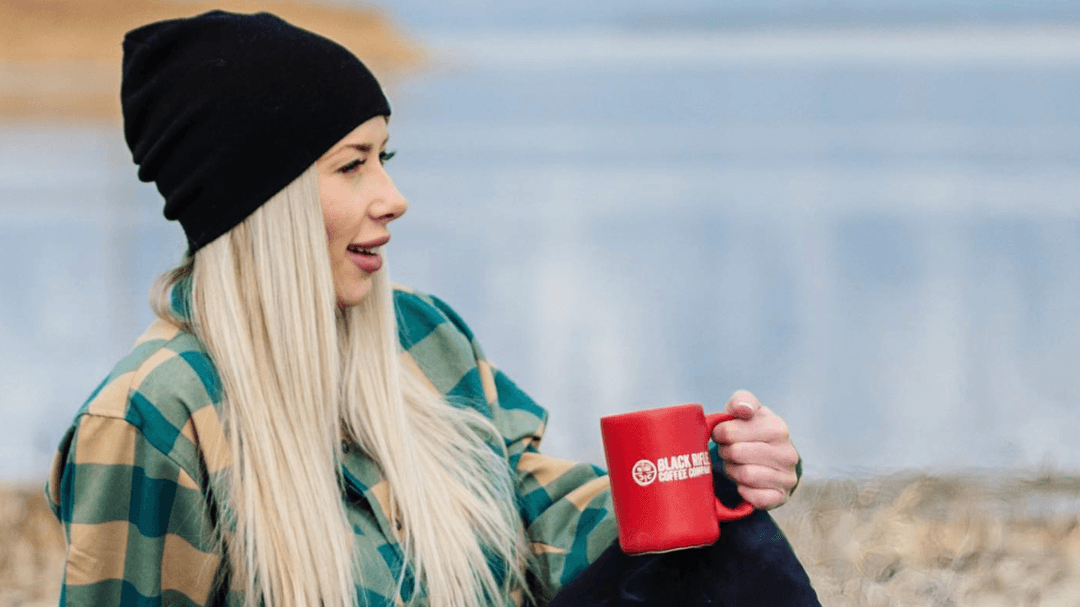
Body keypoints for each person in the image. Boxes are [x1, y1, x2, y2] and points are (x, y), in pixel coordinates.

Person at [46, 10, 816, 607]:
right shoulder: (152, 417)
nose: (393, 197)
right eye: (352, 165)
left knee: (719, 539)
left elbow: (544, 517)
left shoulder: (426, 337)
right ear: (261, 204)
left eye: (384, 158)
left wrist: (710, 471)